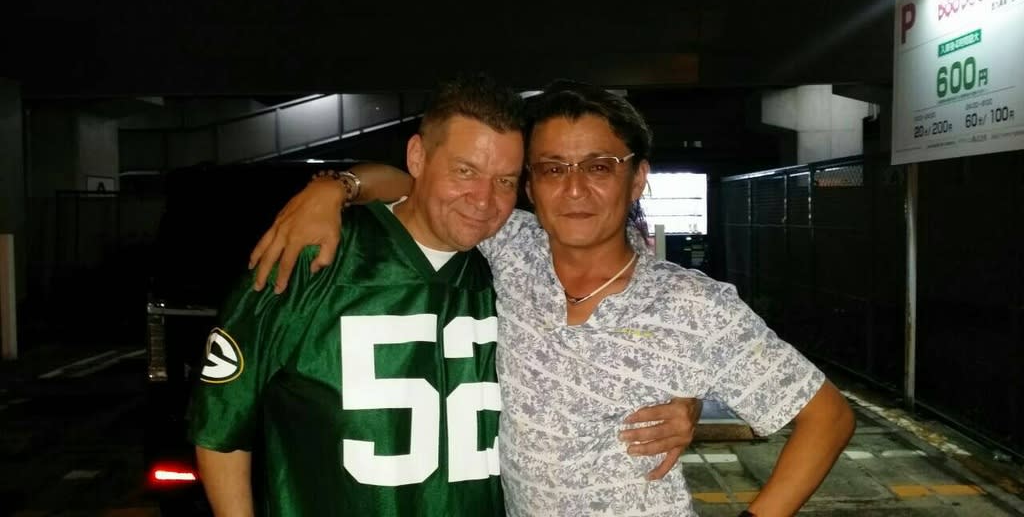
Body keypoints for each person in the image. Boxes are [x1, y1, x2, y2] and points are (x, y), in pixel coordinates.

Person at [252, 79, 857, 517]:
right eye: (552, 169)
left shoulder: (695, 306)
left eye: (599, 167)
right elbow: (422, 187)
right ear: (531, 187)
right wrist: (335, 188)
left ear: (637, 178)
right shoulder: (509, 245)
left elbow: (827, 418)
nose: (574, 190)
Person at [189, 74, 698, 517]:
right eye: (464, 171)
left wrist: (686, 395)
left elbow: (619, 331)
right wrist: (334, 186)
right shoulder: (314, 258)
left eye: (504, 180)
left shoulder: (511, 269)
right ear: (417, 156)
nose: (483, 200)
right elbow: (222, 427)